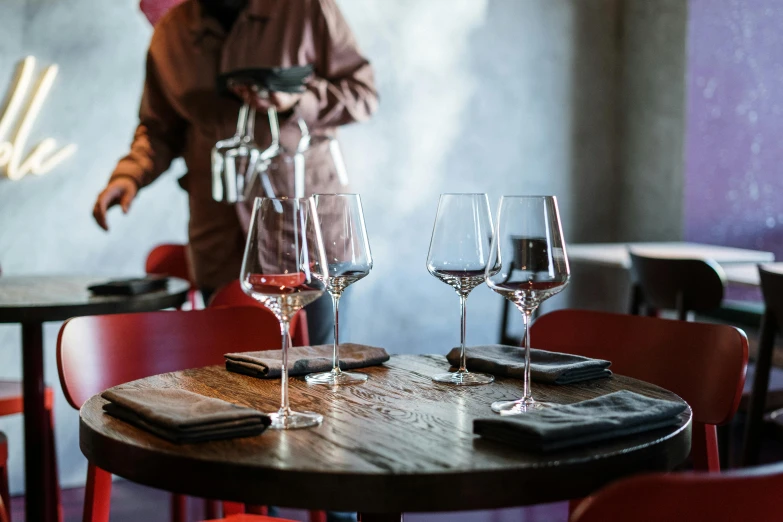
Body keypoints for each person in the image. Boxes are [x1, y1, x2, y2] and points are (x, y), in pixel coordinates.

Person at [93, 0, 378, 347]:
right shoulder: (171, 33)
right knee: (230, 381)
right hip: (221, 238)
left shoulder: (306, 9)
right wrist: (129, 176)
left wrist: (296, 100)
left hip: (309, 235)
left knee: (317, 372)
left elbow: (363, 94)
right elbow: (157, 128)